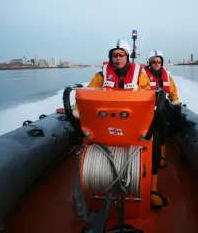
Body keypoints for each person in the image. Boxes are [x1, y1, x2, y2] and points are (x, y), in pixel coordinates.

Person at [73, 39, 168, 209]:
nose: (118, 59)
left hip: (135, 122)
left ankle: (152, 189)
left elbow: (148, 93)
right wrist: (76, 111)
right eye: (114, 55)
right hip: (106, 122)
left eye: (121, 55)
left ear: (127, 56)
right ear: (110, 58)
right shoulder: (100, 75)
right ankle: (89, 187)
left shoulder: (139, 74)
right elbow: (86, 95)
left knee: (154, 143)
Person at [142, 49, 182, 169]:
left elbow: (172, 92)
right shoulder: (142, 75)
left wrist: (177, 106)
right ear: (149, 63)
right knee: (155, 128)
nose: (156, 64)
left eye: (158, 62)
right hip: (146, 105)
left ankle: (162, 151)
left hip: (162, 105)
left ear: (162, 63)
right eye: (153, 62)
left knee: (166, 126)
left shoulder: (166, 76)